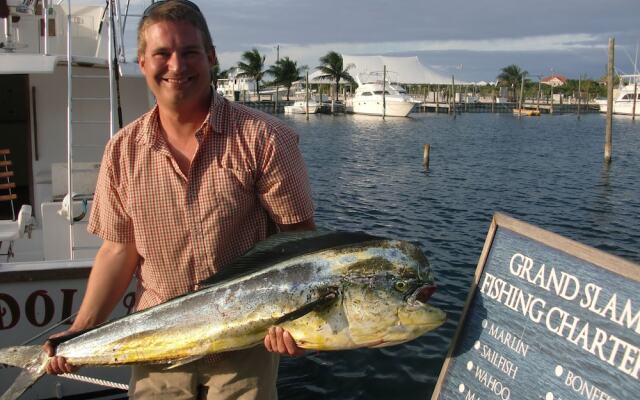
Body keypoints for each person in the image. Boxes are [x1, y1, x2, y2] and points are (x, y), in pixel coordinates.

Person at [44, 1, 315, 399]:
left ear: (211, 57)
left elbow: (300, 245)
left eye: (189, 52)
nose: (177, 65)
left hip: (243, 343)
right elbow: (119, 251)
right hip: (155, 342)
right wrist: (81, 328)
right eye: (162, 54)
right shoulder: (121, 151)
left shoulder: (265, 139)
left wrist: (298, 322)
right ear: (141, 62)